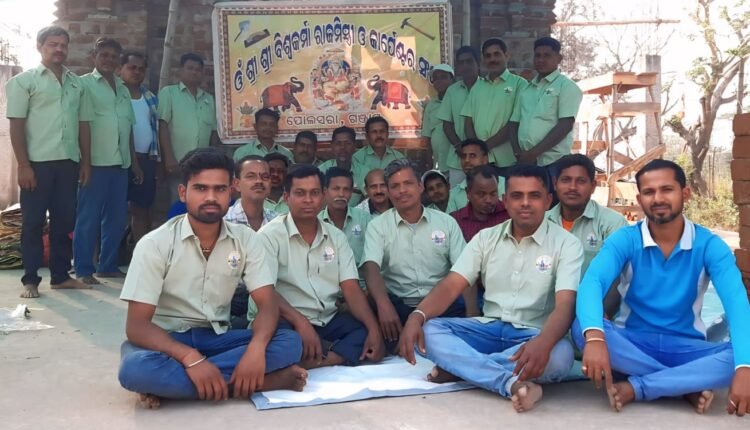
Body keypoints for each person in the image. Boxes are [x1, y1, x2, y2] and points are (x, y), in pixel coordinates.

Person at [117, 148, 306, 409]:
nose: (210, 197)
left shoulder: (246, 239)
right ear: (183, 193)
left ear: (231, 191)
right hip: (168, 342)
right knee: (135, 369)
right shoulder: (155, 244)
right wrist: (190, 358)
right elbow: (137, 326)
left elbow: (267, 304)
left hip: (217, 337)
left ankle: (175, 387)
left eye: (219, 189)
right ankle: (256, 382)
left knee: (289, 342)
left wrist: (256, 349)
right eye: (200, 188)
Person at [399, 164, 583, 413]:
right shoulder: (486, 238)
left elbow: (566, 305)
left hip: (533, 335)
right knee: (429, 330)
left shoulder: (567, 244)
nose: (525, 203)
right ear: (505, 201)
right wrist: (417, 316)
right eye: (517, 196)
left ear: (548, 200)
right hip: (487, 330)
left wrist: (544, 342)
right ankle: (509, 382)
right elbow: (452, 284)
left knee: (560, 355)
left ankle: (460, 369)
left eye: (534, 196)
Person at [575, 160, 750, 416]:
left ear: (685, 193)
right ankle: (683, 386)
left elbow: (736, 304)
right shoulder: (626, 239)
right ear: (640, 199)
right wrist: (595, 337)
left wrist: (744, 367)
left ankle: (641, 386)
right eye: (649, 192)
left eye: (667, 189)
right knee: (582, 328)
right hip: (632, 343)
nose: (658, 198)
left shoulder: (709, 245)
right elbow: (592, 283)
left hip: (687, 348)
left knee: (743, 356)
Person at [259, 165, 385, 369]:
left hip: (327, 319)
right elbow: (265, 291)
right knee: (285, 343)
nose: (308, 200)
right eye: (300, 193)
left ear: (323, 195)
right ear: (287, 197)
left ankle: (320, 359)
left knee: (367, 332)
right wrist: (301, 322)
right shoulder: (268, 237)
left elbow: (351, 289)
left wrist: (374, 329)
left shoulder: (336, 237)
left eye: (314, 193)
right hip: (287, 319)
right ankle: (333, 354)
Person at [6, 26, 92, 297]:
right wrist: (23, 165)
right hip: (37, 164)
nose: (59, 49)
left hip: (68, 163)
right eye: (53, 44)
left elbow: (83, 124)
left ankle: (60, 276)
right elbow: (16, 125)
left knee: (64, 222)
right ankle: (30, 279)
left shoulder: (77, 84)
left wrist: (85, 163)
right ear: (40, 46)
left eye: (63, 45)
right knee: (33, 222)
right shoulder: (24, 82)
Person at [362, 159, 467, 347]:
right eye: (395, 186)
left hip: (441, 305)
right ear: (389, 192)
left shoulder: (446, 223)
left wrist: (472, 319)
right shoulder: (377, 226)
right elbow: (371, 267)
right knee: (368, 332)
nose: (402, 190)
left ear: (420, 187)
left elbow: (464, 270)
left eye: (408, 183)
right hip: (398, 307)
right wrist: (384, 305)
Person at [74, 37, 138, 285]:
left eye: (113, 56)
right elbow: (81, 125)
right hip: (95, 163)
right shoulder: (83, 85)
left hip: (120, 164)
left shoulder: (122, 88)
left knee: (116, 218)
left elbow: (127, 128)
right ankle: (83, 269)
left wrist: (134, 162)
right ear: (94, 57)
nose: (109, 60)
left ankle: (108, 266)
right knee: (88, 218)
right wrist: (85, 163)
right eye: (104, 55)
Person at [509, 37, 583, 182]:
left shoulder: (567, 87)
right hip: (525, 162)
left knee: (552, 197)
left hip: (553, 163)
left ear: (559, 58)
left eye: (547, 55)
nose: (541, 60)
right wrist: (519, 153)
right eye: (537, 55)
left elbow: (565, 125)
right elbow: (513, 123)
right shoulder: (526, 89)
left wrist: (533, 153)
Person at [546, 154, 627, 274]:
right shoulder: (542, 222)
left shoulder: (613, 223)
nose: (572, 187)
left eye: (581, 181)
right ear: (555, 184)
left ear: (593, 186)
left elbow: (617, 273)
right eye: (566, 180)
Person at [158, 53, 220, 204]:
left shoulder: (208, 99)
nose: (194, 72)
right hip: (178, 163)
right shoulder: (169, 93)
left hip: (202, 165)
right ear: (181, 70)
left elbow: (213, 132)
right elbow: (162, 125)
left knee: (200, 203)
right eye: (190, 68)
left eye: (198, 70)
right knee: (178, 202)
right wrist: (169, 158)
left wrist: (213, 159)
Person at [226, 155, 279, 328]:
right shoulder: (223, 222)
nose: (259, 181)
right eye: (251, 176)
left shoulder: (278, 223)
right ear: (236, 184)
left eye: (265, 177)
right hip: (231, 299)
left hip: (273, 296)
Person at [450, 165, 510, 316]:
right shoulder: (454, 221)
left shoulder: (509, 216)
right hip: (467, 292)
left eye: (493, 193)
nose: (489, 200)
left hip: (506, 291)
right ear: (468, 193)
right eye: (481, 194)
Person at [462, 38, 527, 169]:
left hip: (507, 159)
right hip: (480, 161)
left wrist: (483, 148)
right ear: (483, 60)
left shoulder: (520, 84)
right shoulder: (477, 86)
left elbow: (514, 123)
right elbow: (468, 120)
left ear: (507, 56)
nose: (492, 59)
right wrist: (476, 149)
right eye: (488, 56)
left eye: (497, 54)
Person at [120, 51, 160, 244]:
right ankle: (107, 256)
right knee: (113, 209)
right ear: (121, 69)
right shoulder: (115, 95)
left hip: (146, 160)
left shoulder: (149, 97)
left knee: (142, 209)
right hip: (119, 160)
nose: (137, 72)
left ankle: (139, 254)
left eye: (141, 69)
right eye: (132, 67)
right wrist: (133, 162)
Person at [437, 46, 481, 185]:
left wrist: (480, 150)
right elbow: (447, 125)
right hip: (458, 159)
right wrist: (458, 146)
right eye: (461, 63)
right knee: (458, 195)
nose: (465, 66)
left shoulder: (487, 88)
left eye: (469, 61)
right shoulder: (452, 91)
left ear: (478, 63)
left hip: (485, 157)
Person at [319, 167, 372, 270]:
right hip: (326, 277)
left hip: (360, 278)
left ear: (351, 192)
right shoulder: (315, 222)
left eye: (346, 189)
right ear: (325, 191)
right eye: (336, 189)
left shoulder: (365, 219)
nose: (341, 194)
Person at [445, 139, 505, 213]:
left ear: (485, 159)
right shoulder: (454, 194)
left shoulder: (505, 185)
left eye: (472, 156)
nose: (466, 160)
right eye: (463, 156)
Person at [422, 64, 457, 178]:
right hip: (438, 164)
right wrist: (429, 164)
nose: (439, 81)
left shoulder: (460, 100)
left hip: (457, 162)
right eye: (436, 78)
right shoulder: (431, 106)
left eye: (443, 77)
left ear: (452, 79)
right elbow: (428, 138)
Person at [352, 116, 405, 192]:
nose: (379, 135)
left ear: (387, 134)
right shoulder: (357, 158)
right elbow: (358, 186)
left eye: (382, 131)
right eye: (374, 132)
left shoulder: (398, 157)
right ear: (367, 136)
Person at [318, 126, 363, 206]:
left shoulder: (364, 172)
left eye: (347, 143)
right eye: (338, 143)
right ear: (332, 146)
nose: (343, 147)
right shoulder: (321, 171)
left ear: (354, 146)